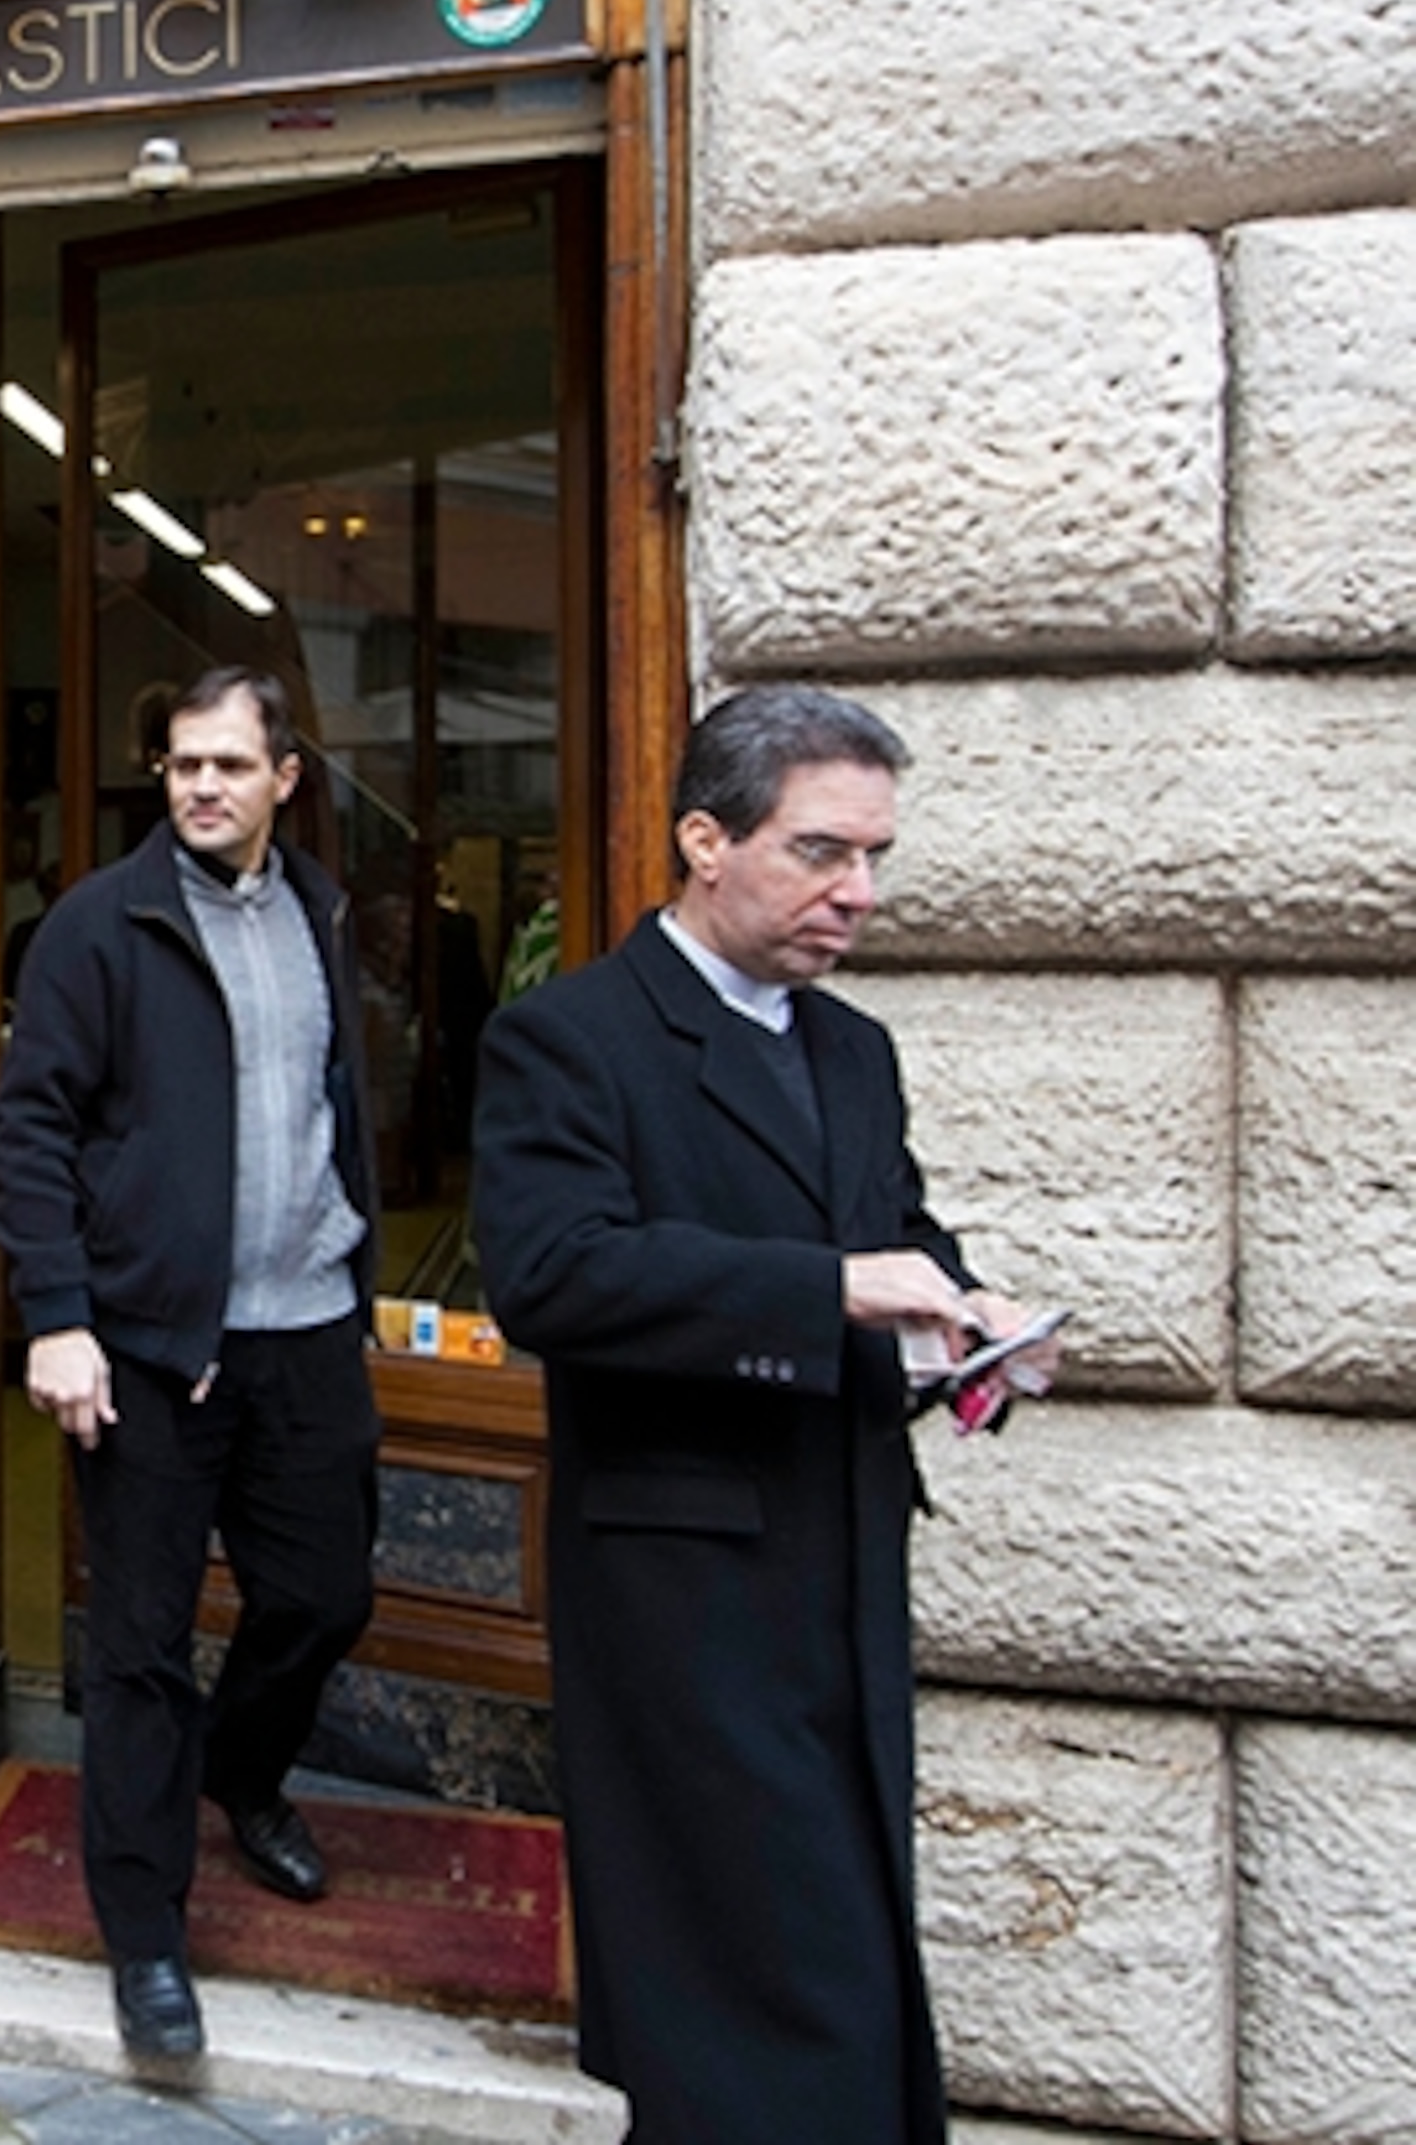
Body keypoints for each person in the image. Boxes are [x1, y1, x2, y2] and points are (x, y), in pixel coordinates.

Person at [470, 684, 1046, 2145]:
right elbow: (555, 1276)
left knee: (840, 1939)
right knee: (743, 1973)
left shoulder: (853, 1047)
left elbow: (893, 1231)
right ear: (705, 840)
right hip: (684, 1582)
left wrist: (966, 1331)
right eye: (821, 852)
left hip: (844, 1556)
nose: (857, 893)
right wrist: (835, 1291)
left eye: (876, 858)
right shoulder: (570, 1037)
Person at [0, 665, 382, 2066]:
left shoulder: (325, 911)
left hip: (309, 1328)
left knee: (326, 1593)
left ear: (287, 776)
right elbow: (29, 1130)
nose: (202, 786)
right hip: (150, 1353)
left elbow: (325, 1102)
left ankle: (246, 1771)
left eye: (229, 763)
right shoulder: (99, 928)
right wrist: (59, 1313)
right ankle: (146, 1935)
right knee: (141, 1651)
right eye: (180, 764)